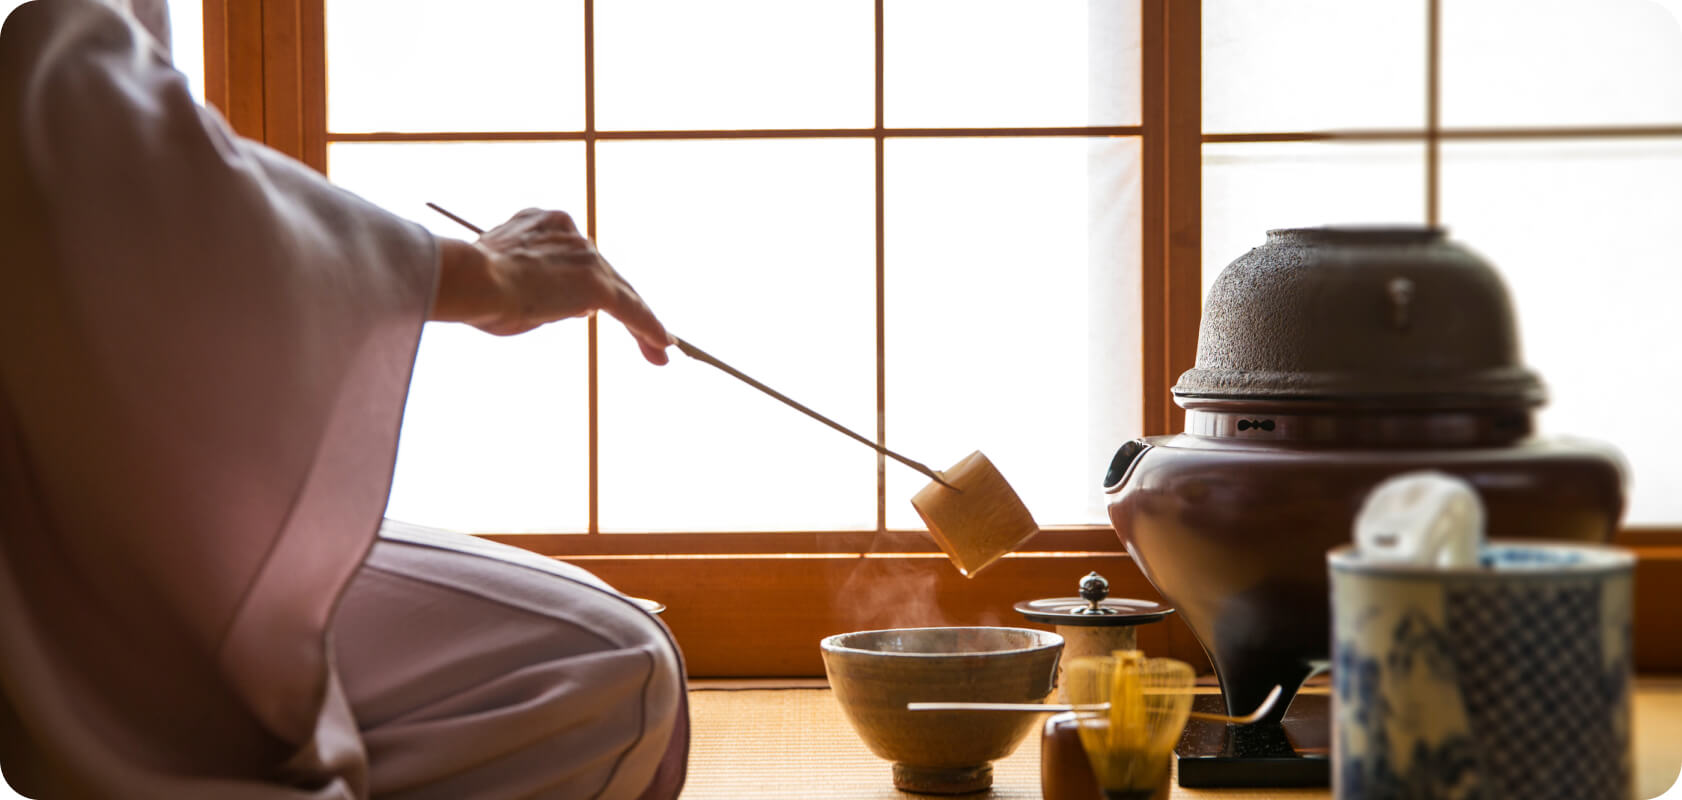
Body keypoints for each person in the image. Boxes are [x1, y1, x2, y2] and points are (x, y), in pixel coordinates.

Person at [0, 0, 688, 797]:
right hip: (51, 532)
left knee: (618, 664)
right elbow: (85, 144)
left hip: (85, 509)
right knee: (609, 672)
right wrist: (474, 274)